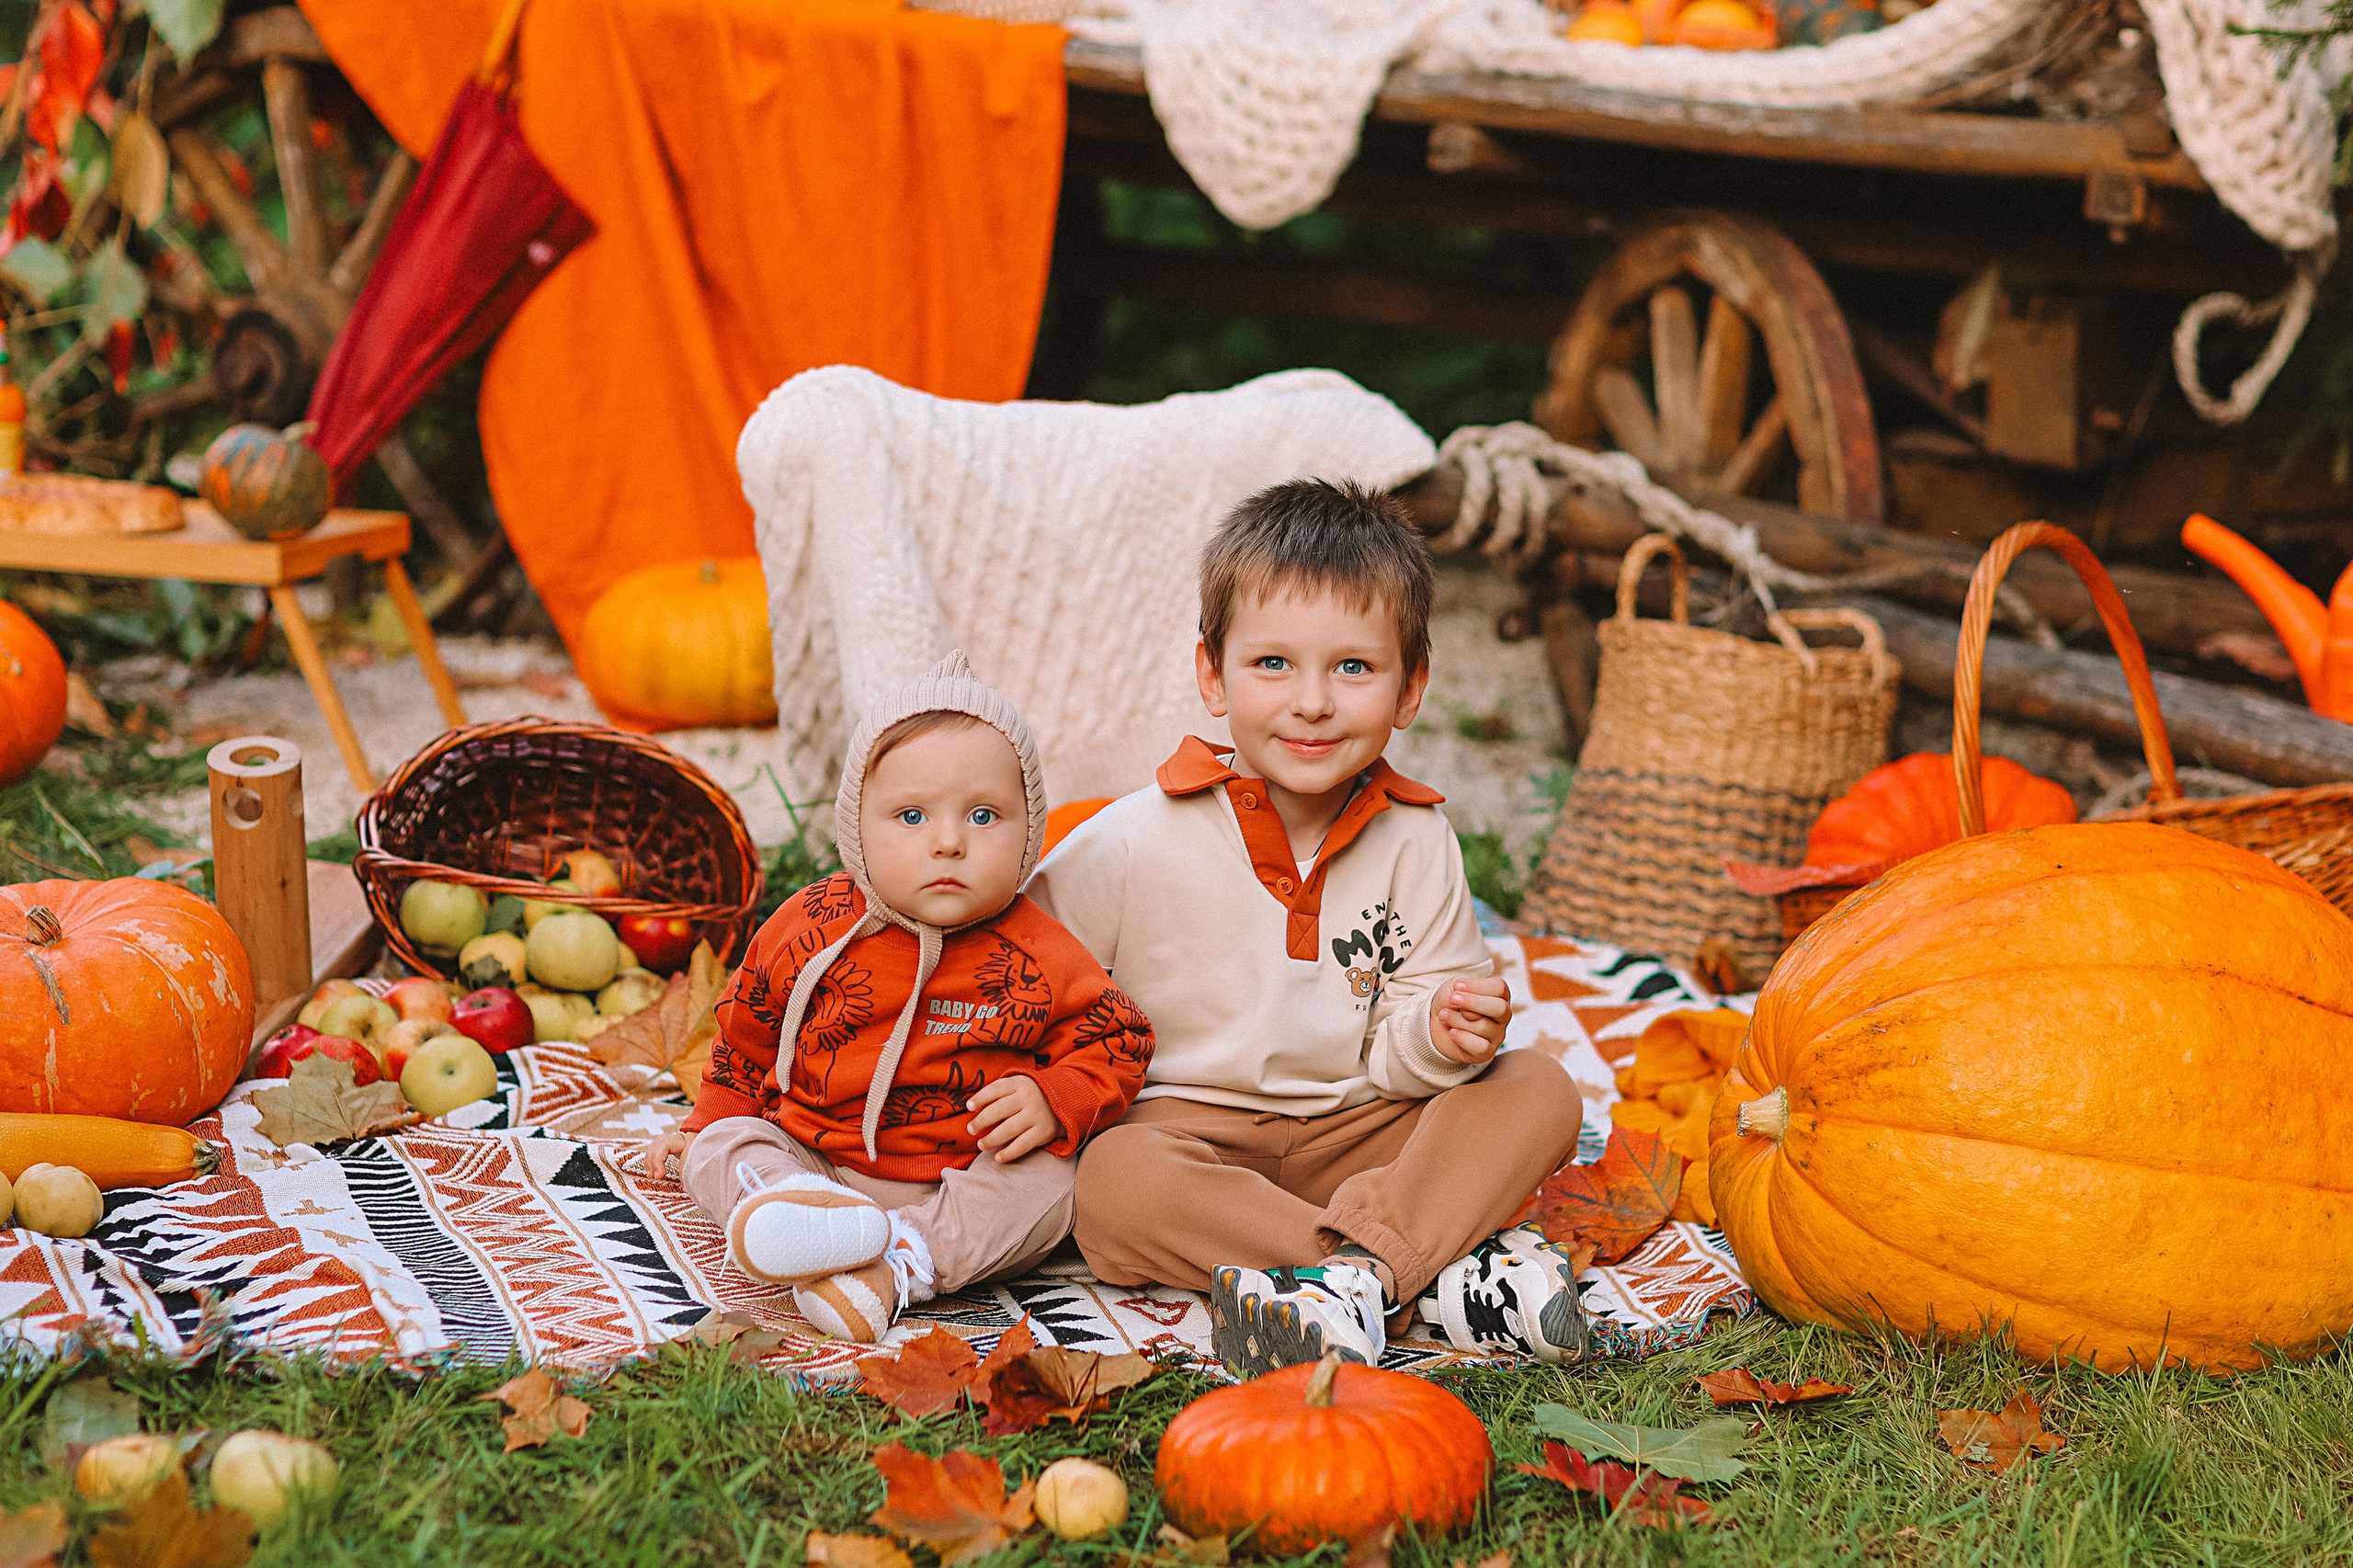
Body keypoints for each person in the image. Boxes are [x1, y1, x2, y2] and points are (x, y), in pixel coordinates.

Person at [1029, 478, 1589, 1375]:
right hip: (1191, 1132)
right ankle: (1425, 1282)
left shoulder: (1417, 836)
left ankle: (1349, 1283)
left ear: (1410, 689)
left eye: (1354, 668)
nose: (1313, 702)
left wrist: (1442, 1032)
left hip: (1360, 1127)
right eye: (1273, 664)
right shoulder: (1131, 837)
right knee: (1112, 1183)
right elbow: (1027, 982)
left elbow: (1404, 1046)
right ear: (1212, 674)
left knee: (1537, 1087)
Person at [644, 652, 1153, 1344]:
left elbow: (1119, 1039)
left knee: (1056, 1182)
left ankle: (897, 1267)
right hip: (813, 1154)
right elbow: (748, 1031)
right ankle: (790, 1210)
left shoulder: (1039, 950)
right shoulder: (812, 925)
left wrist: (1054, 1096)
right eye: (911, 817)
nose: (948, 843)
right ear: (857, 824)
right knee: (720, 1146)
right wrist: (704, 1120)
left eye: (983, 816)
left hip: (958, 1177)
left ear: (1030, 827)